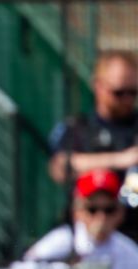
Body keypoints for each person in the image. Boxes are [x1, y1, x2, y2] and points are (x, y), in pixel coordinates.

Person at [48, 51, 138, 242]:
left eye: (133, 92)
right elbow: (60, 167)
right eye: (119, 93)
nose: (128, 100)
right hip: (88, 238)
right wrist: (120, 159)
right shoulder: (78, 128)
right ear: (98, 86)